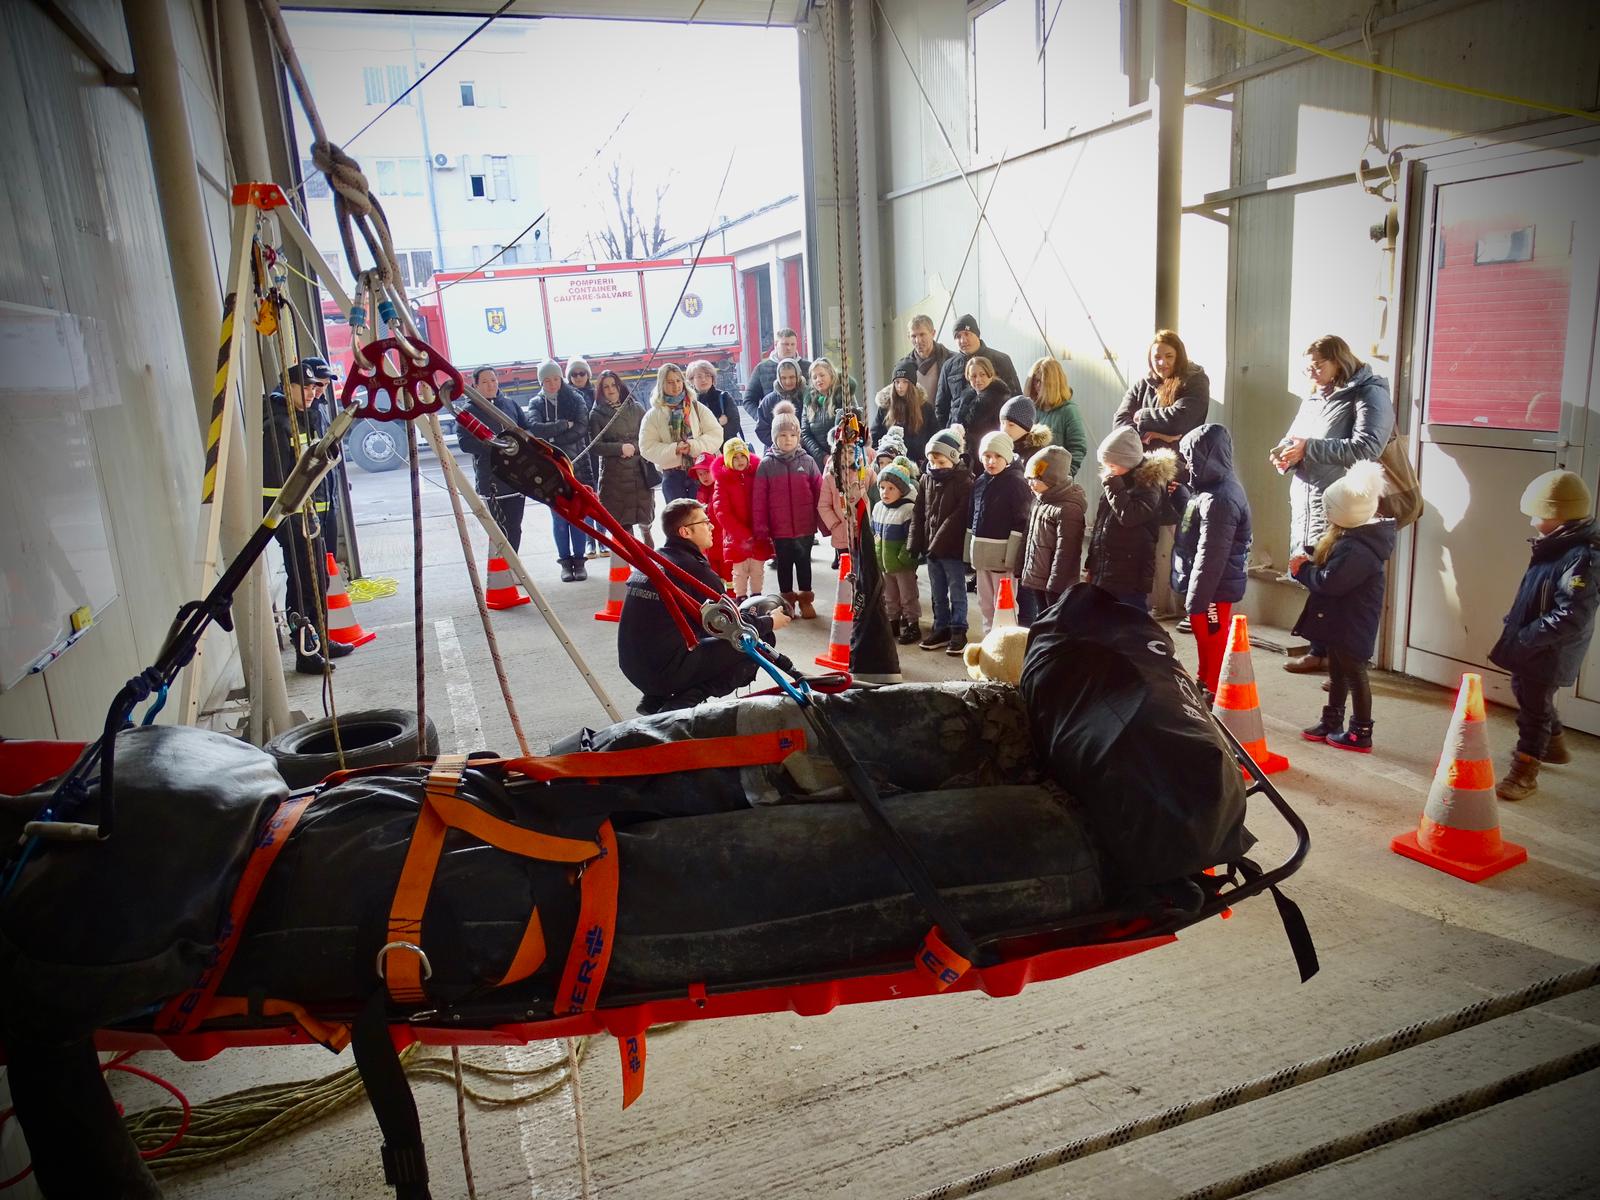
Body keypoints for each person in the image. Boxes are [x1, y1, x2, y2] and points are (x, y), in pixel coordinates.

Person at [1271, 334, 1395, 675]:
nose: (1311, 374)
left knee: (1342, 584)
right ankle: (1319, 652)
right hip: (1311, 498)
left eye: (1317, 366)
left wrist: (1309, 448)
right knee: (1318, 575)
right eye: (1307, 368)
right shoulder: (1315, 396)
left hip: (1345, 503)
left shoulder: (1369, 393)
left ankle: (1347, 664)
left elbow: (1367, 447)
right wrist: (1284, 453)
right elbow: (1295, 438)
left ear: (1339, 361)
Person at [617, 498, 789, 714]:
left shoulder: (655, 560)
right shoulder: (694, 571)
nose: (712, 527)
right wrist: (771, 621)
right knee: (757, 639)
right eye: (705, 522)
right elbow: (735, 626)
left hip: (634, 668)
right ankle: (684, 701)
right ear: (685, 532)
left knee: (683, 633)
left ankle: (654, 700)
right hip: (664, 671)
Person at [1488, 470, 1600, 801]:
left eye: (1537, 514)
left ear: (1557, 515)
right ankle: (1554, 743)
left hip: (1550, 649)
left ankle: (1525, 771)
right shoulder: (1555, 546)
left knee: (1533, 710)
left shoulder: (1581, 558)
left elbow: (1572, 615)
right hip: (1535, 642)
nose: (1531, 521)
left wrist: (1528, 635)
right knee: (1525, 691)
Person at [1289, 461, 1395, 753]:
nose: (1325, 514)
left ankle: (1360, 731)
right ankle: (1332, 721)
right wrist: (1311, 558)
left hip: (1352, 626)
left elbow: (1331, 582)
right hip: (1340, 623)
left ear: (1343, 514)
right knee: (1337, 674)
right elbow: (1334, 569)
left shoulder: (1358, 549)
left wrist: (1303, 571)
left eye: (1328, 509)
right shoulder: (1352, 538)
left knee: (1355, 675)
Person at [263, 357, 349, 674]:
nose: (314, 393)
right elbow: (275, 482)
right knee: (304, 586)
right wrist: (293, 520)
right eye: (307, 387)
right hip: (296, 520)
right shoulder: (278, 424)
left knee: (318, 581)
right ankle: (306, 652)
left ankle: (320, 642)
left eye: (316, 387)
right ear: (289, 388)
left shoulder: (308, 416)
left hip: (315, 517)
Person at [1170, 424, 1252, 696]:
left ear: (1205, 457)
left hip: (1215, 586)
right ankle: (1205, 679)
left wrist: (1198, 598)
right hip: (1207, 583)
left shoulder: (1221, 498)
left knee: (1212, 636)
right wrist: (1182, 498)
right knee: (1202, 632)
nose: (1187, 464)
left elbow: (1212, 554)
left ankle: (1215, 689)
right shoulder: (1206, 489)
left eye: (1190, 457)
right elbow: (1196, 524)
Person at [1084, 426, 1179, 611]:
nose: (1108, 470)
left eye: (1112, 465)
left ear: (1128, 462)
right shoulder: (1116, 482)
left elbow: (1129, 516)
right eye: (1106, 465)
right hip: (1107, 569)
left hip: (1131, 573)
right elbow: (1100, 526)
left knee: (1131, 615)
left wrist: (1113, 486)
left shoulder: (1148, 484)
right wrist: (1092, 564)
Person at [752, 401, 823, 618]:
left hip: (804, 526)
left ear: (798, 437)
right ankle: (787, 602)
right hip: (779, 528)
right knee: (783, 565)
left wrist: (824, 523)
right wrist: (761, 527)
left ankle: (806, 600)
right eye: (782, 435)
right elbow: (759, 499)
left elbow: (820, 492)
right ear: (774, 437)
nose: (788, 439)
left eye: (792, 435)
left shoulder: (808, 461)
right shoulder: (766, 465)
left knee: (803, 563)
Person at [526, 360, 593, 582]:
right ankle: (565, 562)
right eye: (547, 380)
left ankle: (580, 561)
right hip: (550, 470)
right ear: (541, 382)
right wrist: (564, 425)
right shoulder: (536, 402)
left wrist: (553, 439)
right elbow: (535, 429)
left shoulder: (575, 398)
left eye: (556, 378)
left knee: (578, 516)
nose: (553, 384)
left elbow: (581, 428)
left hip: (576, 465)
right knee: (559, 519)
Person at [910, 426, 974, 656]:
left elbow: (957, 518)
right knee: (937, 591)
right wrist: (914, 542)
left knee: (957, 590)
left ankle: (958, 629)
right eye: (932, 461)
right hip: (931, 549)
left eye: (941, 462)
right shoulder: (926, 479)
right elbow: (919, 512)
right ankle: (941, 627)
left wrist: (935, 545)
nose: (936, 466)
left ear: (954, 459)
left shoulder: (965, 481)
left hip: (952, 549)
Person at [458, 365, 535, 552]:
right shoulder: (468, 412)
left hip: (517, 478)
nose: (490, 385)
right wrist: (494, 446)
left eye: (493, 380)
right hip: (491, 479)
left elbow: (526, 429)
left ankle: (513, 564)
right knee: (498, 530)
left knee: (515, 527)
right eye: (484, 382)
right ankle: (502, 564)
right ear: (475, 386)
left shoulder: (510, 404)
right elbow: (464, 443)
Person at [969, 430, 1032, 634]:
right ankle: (990, 640)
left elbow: (1021, 522)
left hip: (1003, 558)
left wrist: (1011, 557)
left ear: (1007, 457)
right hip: (982, 557)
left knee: (1004, 604)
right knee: (985, 602)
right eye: (987, 456)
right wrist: (970, 551)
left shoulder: (1017, 483)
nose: (991, 461)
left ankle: (1005, 642)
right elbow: (973, 516)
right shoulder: (980, 482)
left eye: (997, 456)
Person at [1019, 445, 1086, 627]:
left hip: (1055, 583)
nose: (1030, 483)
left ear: (1052, 479)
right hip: (1038, 577)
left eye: (1035, 479)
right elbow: (1028, 537)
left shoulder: (1069, 508)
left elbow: (1066, 551)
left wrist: (1055, 583)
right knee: (1042, 619)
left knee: (1056, 623)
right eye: (1029, 478)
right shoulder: (1039, 501)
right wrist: (1021, 567)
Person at [588, 369, 655, 547]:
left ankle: (647, 536)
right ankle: (632, 550)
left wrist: (634, 448)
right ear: (601, 390)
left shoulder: (636, 408)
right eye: (606, 387)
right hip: (614, 473)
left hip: (639, 469)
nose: (611, 390)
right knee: (621, 516)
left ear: (620, 386)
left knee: (644, 510)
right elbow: (595, 446)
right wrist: (619, 449)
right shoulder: (596, 415)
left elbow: (649, 436)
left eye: (613, 385)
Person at [641, 362, 722, 506]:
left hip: (698, 472)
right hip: (671, 476)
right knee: (678, 517)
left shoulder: (696, 407)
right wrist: (674, 449)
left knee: (701, 515)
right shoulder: (652, 415)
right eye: (670, 382)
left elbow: (716, 434)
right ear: (661, 384)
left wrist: (693, 446)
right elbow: (646, 447)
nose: (676, 386)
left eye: (678, 381)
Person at [1113, 330, 1211, 449]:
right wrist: (1149, 435)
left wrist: (1142, 416)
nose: (1162, 362)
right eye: (1157, 357)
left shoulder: (1195, 380)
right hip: (1142, 457)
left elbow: (1180, 420)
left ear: (1179, 357)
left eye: (1169, 356)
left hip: (1179, 458)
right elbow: (1119, 422)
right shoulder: (1141, 385)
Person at [934, 314, 1021, 428]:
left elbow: (1016, 398)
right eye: (958, 336)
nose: (963, 340)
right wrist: (947, 431)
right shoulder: (949, 366)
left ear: (977, 334)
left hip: (992, 431)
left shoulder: (1001, 360)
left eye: (967, 334)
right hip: (958, 432)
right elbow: (941, 407)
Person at [711, 438, 771, 599]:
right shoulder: (722, 481)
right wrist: (742, 534)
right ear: (728, 460)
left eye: (742, 456)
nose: (740, 460)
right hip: (736, 538)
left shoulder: (756, 475)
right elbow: (721, 511)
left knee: (758, 570)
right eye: (735, 457)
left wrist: (763, 527)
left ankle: (757, 597)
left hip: (758, 533)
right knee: (739, 572)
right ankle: (741, 598)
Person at [871, 455, 922, 644]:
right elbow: (874, 532)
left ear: (902, 489)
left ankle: (912, 623)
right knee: (889, 595)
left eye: (891, 488)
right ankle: (892, 621)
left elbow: (912, 536)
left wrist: (904, 557)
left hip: (902, 564)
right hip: (884, 563)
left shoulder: (908, 510)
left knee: (908, 595)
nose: (885, 492)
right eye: (882, 487)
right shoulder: (878, 508)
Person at [818, 409, 876, 571]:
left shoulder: (868, 473)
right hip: (841, 532)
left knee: (864, 569)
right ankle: (845, 587)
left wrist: (872, 520)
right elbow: (823, 505)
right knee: (845, 571)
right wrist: (834, 524)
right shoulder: (830, 478)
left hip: (864, 530)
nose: (846, 456)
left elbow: (876, 498)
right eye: (842, 451)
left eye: (851, 451)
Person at [1025, 356, 1089, 479]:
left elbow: (1078, 448)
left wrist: (1064, 475)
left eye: (1041, 381)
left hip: (1054, 481)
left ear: (1053, 383)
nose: (1037, 386)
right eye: (1035, 381)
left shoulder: (1069, 411)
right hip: (1031, 476)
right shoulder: (1032, 408)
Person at [565, 357, 600, 557]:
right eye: (574, 374)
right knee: (583, 494)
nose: (578, 377)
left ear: (588, 375)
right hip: (577, 450)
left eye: (582, 373)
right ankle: (590, 540)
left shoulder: (596, 393)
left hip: (595, 450)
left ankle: (602, 538)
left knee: (598, 493)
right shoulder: (567, 396)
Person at [872, 362, 934, 465]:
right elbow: (875, 437)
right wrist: (882, 459)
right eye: (897, 382)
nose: (900, 386)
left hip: (919, 464)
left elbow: (934, 437)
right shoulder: (884, 408)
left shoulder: (925, 408)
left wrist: (928, 460)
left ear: (912, 384)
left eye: (905, 382)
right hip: (891, 466)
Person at [743, 328, 810, 424]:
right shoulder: (762, 369)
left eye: (792, 344)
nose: (789, 348)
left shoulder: (807, 367)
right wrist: (762, 420)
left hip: (803, 426)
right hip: (774, 427)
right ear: (775, 344)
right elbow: (749, 400)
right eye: (785, 344)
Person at [953, 356, 1010, 467]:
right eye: (973, 376)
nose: (978, 380)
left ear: (990, 374)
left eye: (982, 374)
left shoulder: (999, 399)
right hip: (967, 454)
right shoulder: (966, 398)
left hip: (988, 456)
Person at [901, 314, 952, 415]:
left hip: (944, 420)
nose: (918, 340)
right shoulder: (903, 366)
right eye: (913, 336)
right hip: (915, 420)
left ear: (933, 333)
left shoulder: (951, 360)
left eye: (922, 334)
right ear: (908, 337)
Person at [802, 358, 849, 469]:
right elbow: (805, 433)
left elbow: (852, 425)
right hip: (819, 461)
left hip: (844, 457)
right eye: (814, 377)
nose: (818, 380)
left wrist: (839, 453)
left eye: (822, 375)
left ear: (831, 375)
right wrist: (823, 457)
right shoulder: (808, 403)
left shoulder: (843, 396)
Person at [692, 452, 729, 587]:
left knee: (730, 579)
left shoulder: (724, 488)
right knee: (713, 579)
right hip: (708, 546)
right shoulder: (701, 492)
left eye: (707, 472)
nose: (704, 477)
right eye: (700, 474)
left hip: (725, 545)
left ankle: (733, 598)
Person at [755, 357, 807, 449]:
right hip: (776, 452)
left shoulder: (808, 396)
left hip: (806, 450)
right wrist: (781, 444)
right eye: (783, 378)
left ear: (798, 376)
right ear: (778, 378)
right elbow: (762, 430)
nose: (788, 381)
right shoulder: (769, 401)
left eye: (792, 377)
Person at [688, 359, 742, 448]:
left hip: (725, 449)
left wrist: (711, 438)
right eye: (699, 376)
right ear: (692, 380)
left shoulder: (724, 397)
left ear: (713, 378)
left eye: (707, 375)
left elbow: (734, 425)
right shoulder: (688, 402)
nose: (704, 379)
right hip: (700, 450)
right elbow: (690, 430)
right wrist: (718, 422)